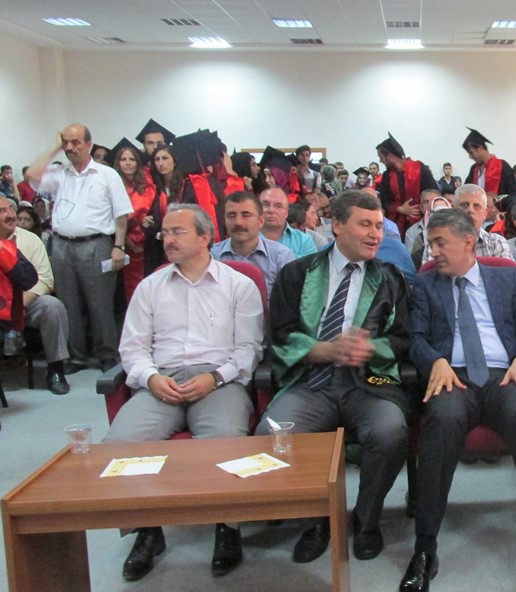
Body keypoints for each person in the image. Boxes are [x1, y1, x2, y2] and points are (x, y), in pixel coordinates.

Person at [400, 208, 516, 592]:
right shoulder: (426, 284)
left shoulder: (506, 277)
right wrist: (435, 361)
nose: (433, 251)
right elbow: (416, 339)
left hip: (504, 374)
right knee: (441, 422)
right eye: (430, 243)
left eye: (440, 243)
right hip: (453, 376)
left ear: (467, 242)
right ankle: (425, 549)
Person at [105, 204, 263, 581]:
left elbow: (249, 350)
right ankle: (147, 531)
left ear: (205, 237)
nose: (168, 239)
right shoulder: (150, 287)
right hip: (162, 380)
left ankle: (227, 528)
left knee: (225, 440)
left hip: (218, 381)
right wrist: (150, 378)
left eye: (178, 232)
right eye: (165, 232)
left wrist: (216, 377)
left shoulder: (238, 285)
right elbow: (132, 349)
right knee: (121, 444)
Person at [258, 190, 411, 565]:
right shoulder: (297, 273)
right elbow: (280, 335)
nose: (375, 234)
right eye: (365, 224)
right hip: (310, 381)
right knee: (273, 435)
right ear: (338, 226)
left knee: (390, 431)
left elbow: (403, 338)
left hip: (368, 383)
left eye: (379, 226)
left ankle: (366, 519)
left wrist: (370, 348)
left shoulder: (390, 278)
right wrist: (323, 350)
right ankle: (316, 521)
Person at [25, 123, 132, 372]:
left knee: (100, 303)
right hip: (62, 245)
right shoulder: (59, 174)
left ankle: (107, 354)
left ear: (89, 144)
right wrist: (55, 146)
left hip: (97, 244)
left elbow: (122, 215)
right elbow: (31, 174)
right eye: (66, 143)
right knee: (68, 303)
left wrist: (119, 246)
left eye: (76, 142)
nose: (70, 147)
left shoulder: (106, 174)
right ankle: (77, 356)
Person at [0, 198, 69, 394]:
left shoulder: (30, 240)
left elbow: (44, 279)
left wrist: (19, 305)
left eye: (11, 209)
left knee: (52, 306)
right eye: (3, 211)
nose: (10, 215)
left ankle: (56, 369)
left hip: (26, 301)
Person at [211, 191, 295, 296]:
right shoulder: (211, 256)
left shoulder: (281, 257)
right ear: (224, 220)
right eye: (231, 216)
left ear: (260, 221)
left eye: (246, 215)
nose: (238, 222)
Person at [112, 143, 158, 301]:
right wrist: (128, 241)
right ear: (118, 163)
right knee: (126, 287)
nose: (127, 163)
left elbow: (153, 212)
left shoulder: (148, 186)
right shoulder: (113, 186)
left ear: (138, 163)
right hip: (121, 244)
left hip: (147, 242)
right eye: (123, 159)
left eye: (131, 159)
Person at [423, 184, 511, 262]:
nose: (470, 210)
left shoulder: (496, 243)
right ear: (454, 210)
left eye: (476, 206)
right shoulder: (437, 244)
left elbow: (507, 275)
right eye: (464, 205)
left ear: (485, 213)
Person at [376, 133, 436, 236]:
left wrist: (421, 208)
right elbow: (384, 200)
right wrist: (399, 209)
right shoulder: (387, 176)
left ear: (389, 156)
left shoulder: (420, 170)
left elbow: (434, 194)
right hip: (396, 225)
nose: (380, 161)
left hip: (421, 223)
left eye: (381, 157)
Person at [260, 187, 316, 258]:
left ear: (286, 212)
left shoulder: (304, 241)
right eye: (265, 205)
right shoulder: (247, 238)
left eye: (278, 206)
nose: (271, 210)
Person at [463, 128, 516, 197]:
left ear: (480, 148)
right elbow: (466, 191)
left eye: (471, 153)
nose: (470, 157)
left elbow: (514, 194)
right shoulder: (473, 169)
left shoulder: (502, 166)